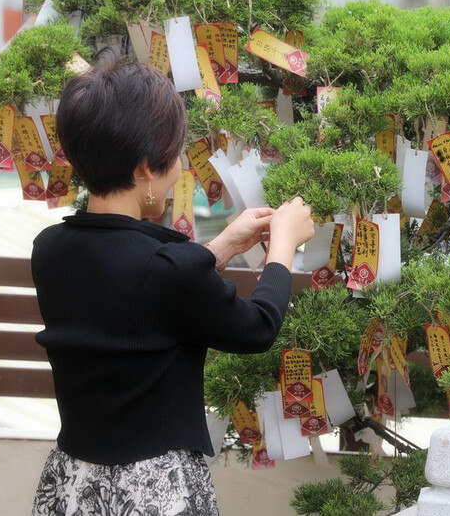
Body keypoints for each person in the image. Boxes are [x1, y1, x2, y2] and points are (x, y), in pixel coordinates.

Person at [30, 55, 315, 515]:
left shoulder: (50, 249)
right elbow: (257, 327)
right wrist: (282, 247)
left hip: (71, 483)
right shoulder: (166, 269)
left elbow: (137, 294)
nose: (180, 166)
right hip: (152, 490)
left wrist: (221, 246)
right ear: (146, 168)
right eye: (175, 153)